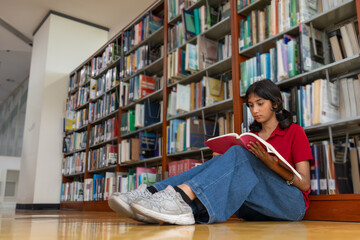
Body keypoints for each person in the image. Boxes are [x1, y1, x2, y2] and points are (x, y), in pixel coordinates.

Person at [109, 79, 312, 225]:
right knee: (225, 158)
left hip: (291, 205)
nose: (255, 110)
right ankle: (152, 195)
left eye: (260, 104)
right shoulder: (252, 135)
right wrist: (223, 161)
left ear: (275, 104)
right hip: (254, 207)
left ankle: (180, 196)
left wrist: (270, 163)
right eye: (250, 105)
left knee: (239, 156)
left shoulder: (295, 132)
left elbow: (304, 183)